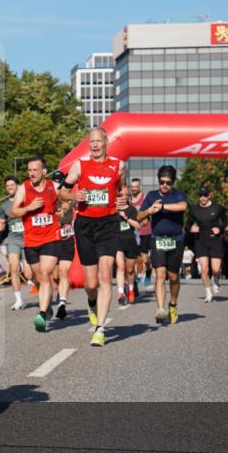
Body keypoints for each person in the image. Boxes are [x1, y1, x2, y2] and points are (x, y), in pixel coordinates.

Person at [58, 128, 127, 347]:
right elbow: (61, 191)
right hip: (85, 224)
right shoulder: (79, 165)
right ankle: (91, 301)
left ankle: (100, 328)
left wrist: (124, 200)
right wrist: (72, 195)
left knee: (106, 276)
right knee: (91, 282)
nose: (95, 145)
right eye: (92, 142)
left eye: (99, 141)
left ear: (106, 142)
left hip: (108, 224)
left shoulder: (119, 165)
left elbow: (122, 189)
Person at [11, 156, 62, 333]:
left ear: (44, 171)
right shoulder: (23, 188)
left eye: (35, 170)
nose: (32, 173)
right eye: (29, 170)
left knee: (46, 274)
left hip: (51, 238)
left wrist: (65, 208)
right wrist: (29, 208)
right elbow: (14, 211)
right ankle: (46, 304)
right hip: (31, 240)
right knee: (38, 277)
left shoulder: (53, 186)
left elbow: (67, 201)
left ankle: (41, 314)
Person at [138, 165, 188, 325]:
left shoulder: (178, 194)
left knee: (173, 277)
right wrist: (149, 211)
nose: (165, 185)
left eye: (168, 182)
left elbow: (183, 206)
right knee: (159, 274)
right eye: (162, 182)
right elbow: (139, 215)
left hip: (176, 240)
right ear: (158, 181)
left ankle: (172, 304)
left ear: (173, 183)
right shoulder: (151, 196)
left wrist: (163, 207)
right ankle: (160, 309)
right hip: (157, 239)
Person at [186, 185, 228, 302]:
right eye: (200, 195)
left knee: (215, 269)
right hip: (201, 240)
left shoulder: (218, 208)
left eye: (205, 195)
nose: (203, 198)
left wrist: (219, 228)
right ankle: (208, 293)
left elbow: (225, 221)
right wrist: (191, 228)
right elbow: (187, 225)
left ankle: (216, 279)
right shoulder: (194, 209)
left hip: (215, 239)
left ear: (209, 195)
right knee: (204, 269)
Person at [0, 176, 30, 310]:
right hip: (13, 240)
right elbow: (1, 225)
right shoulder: (4, 206)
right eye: (8, 186)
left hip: (28, 238)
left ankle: (42, 291)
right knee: (14, 269)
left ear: (18, 186)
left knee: (29, 274)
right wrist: (0, 224)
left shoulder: (26, 200)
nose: (10, 187)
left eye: (12, 185)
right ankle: (18, 300)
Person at [116, 185, 140, 305]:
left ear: (127, 197)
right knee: (120, 267)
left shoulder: (132, 209)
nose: (120, 197)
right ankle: (120, 292)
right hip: (117, 242)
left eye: (123, 195)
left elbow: (137, 225)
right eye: (119, 195)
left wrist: (126, 218)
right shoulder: (112, 209)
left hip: (130, 240)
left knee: (130, 270)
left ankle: (130, 290)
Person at [54, 195, 76, 319]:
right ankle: (60, 290)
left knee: (64, 271)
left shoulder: (71, 202)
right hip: (53, 241)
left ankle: (62, 302)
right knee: (56, 275)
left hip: (67, 241)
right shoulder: (50, 201)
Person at [130, 177, 151, 291]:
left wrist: (142, 222)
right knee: (137, 259)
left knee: (144, 259)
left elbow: (147, 218)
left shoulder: (145, 199)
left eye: (136, 187)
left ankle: (148, 270)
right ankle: (138, 278)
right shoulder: (129, 200)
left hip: (145, 231)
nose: (133, 189)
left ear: (140, 187)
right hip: (133, 232)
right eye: (132, 187)